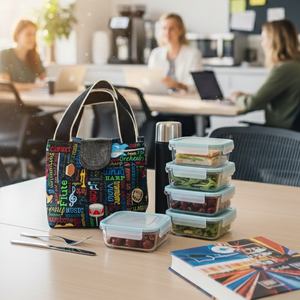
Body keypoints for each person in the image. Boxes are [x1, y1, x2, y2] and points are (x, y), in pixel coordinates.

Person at [229, 19, 300, 129]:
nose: (262, 44)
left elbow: (252, 104)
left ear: (275, 42)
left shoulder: (285, 68)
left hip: (281, 134)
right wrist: (249, 96)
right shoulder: (295, 65)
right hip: (292, 133)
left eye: (264, 39)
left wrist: (235, 97)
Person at [148, 13, 202, 92]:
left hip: (184, 100)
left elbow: (197, 85)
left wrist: (177, 85)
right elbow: (150, 81)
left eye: (172, 28)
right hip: (161, 98)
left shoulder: (193, 54)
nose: (167, 32)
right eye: (164, 28)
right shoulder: (156, 54)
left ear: (181, 31)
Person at [0, 19, 47, 91]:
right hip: (12, 100)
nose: (32, 39)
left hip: (31, 98)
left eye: (34, 35)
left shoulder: (34, 56)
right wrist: (35, 86)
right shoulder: (5, 55)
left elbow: (46, 80)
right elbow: (6, 86)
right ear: (17, 35)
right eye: (28, 34)